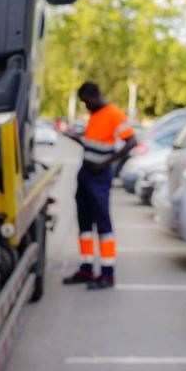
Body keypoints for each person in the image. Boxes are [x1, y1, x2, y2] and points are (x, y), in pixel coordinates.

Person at [62, 81, 137, 290]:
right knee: (85, 225)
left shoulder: (114, 114)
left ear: (95, 96)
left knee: (103, 225)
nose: (85, 106)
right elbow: (93, 144)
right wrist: (76, 138)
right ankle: (86, 268)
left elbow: (132, 141)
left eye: (86, 102)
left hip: (99, 176)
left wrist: (105, 163)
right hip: (86, 173)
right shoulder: (94, 115)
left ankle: (107, 273)